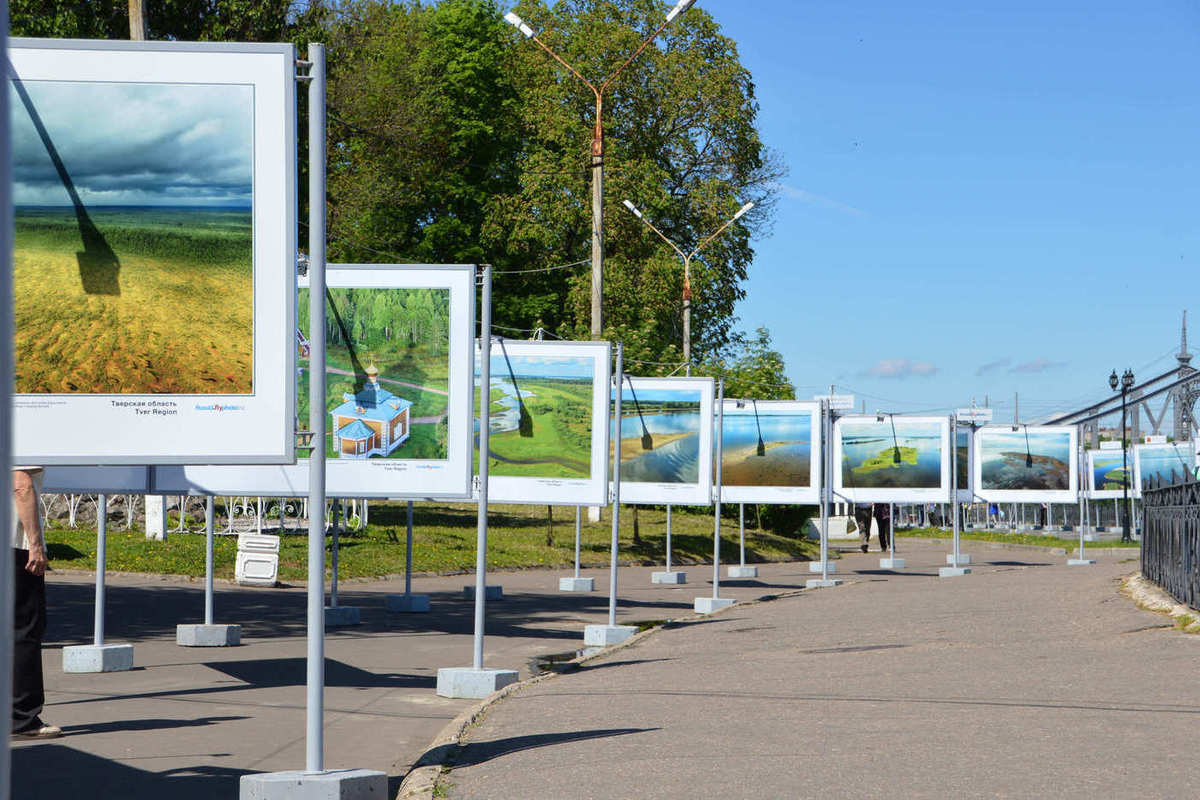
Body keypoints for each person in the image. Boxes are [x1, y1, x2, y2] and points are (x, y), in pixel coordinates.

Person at [11, 467, 60, 739]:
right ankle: (21, 718)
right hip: (13, 545)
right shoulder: (25, 430)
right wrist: (36, 544)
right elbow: (21, 485)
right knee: (24, 627)